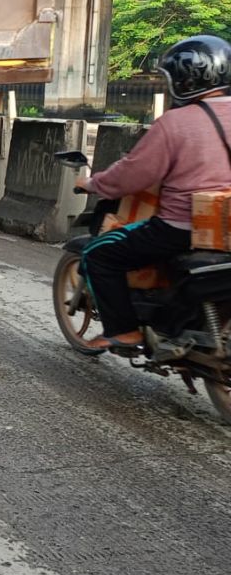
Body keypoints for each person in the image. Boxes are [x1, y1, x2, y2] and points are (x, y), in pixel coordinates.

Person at [76, 34, 231, 351]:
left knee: (99, 254)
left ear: (186, 79)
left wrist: (93, 183)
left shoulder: (175, 123)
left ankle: (124, 330)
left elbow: (133, 174)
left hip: (180, 228)